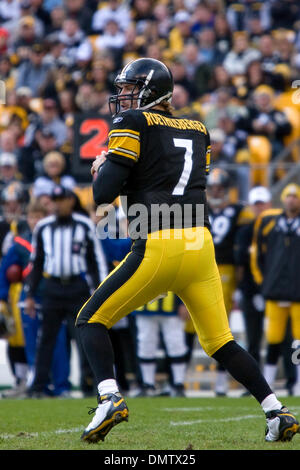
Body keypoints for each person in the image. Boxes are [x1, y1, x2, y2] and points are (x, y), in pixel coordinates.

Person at [75, 58, 299, 444]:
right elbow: (173, 177)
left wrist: (103, 166)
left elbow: (103, 195)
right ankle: (276, 411)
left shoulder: (133, 123)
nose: (123, 96)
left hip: (159, 243)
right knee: (220, 341)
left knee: (89, 320)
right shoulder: (198, 128)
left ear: (149, 91)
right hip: (200, 245)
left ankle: (109, 396)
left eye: (130, 89)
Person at [24, 185, 108, 397]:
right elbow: (37, 262)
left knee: (84, 337)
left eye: (62, 200)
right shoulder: (43, 227)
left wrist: (101, 291)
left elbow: (96, 260)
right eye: (55, 200)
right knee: (46, 339)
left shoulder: (84, 225)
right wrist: (30, 295)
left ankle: (89, 383)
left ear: (71, 201)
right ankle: (38, 386)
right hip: (52, 287)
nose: (58, 204)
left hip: (77, 287)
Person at [207, 167, 254, 396]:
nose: (216, 191)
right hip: (202, 265)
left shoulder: (238, 211)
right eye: (213, 187)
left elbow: (242, 248)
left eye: (219, 187)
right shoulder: (200, 209)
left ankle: (221, 379)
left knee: (220, 324)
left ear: (226, 189)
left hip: (226, 268)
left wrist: (239, 278)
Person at [251, 183, 300, 396]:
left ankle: (298, 383)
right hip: (275, 290)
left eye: (295, 196)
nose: (291, 200)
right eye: (288, 196)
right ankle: (268, 384)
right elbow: (257, 255)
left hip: (298, 293)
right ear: (282, 199)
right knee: (273, 338)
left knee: (298, 341)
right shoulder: (270, 221)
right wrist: (263, 282)